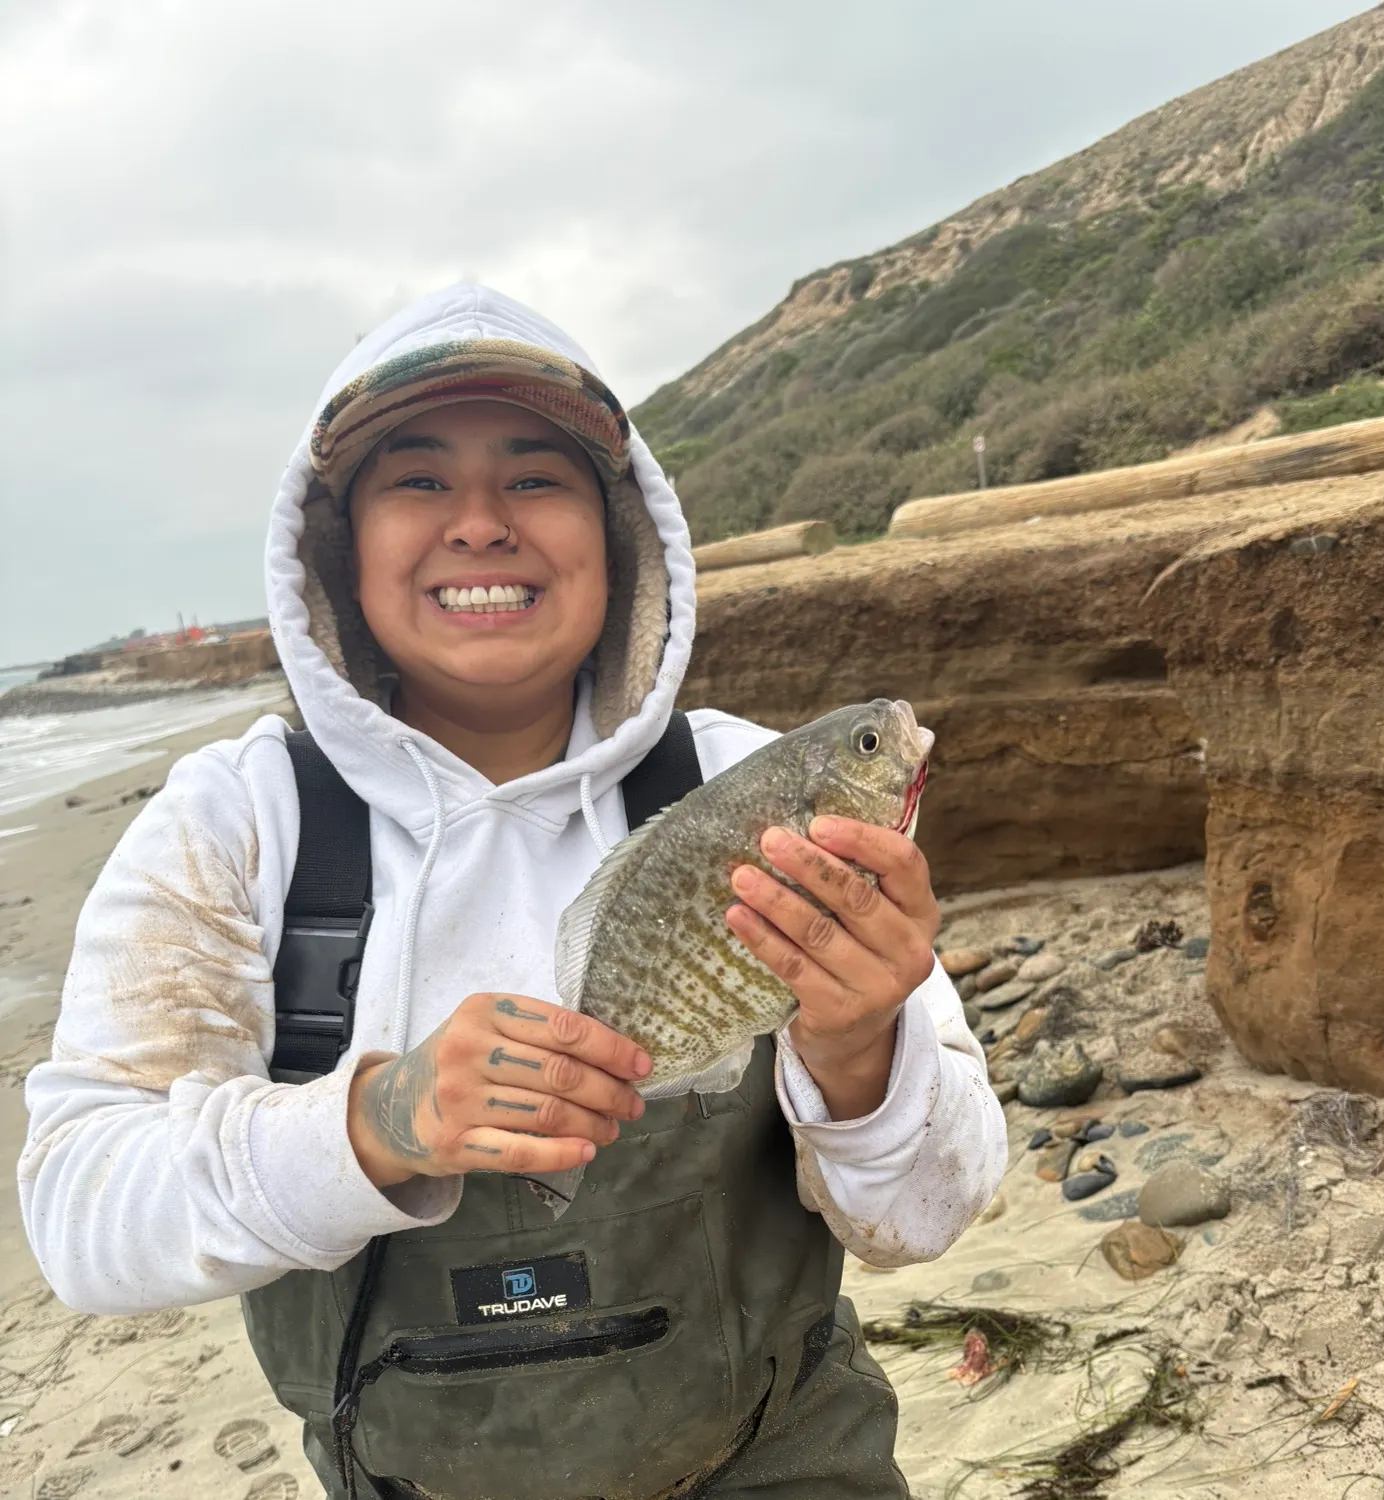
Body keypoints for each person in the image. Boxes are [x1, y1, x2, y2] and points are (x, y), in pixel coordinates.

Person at [19, 284, 1008, 1500]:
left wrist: (861, 1047)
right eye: (418, 479)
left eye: (536, 477)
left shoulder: (745, 780)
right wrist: (378, 1123)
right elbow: (79, 1216)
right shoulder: (237, 825)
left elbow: (927, 1217)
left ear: (620, 532)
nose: (481, 524)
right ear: (338, 546)